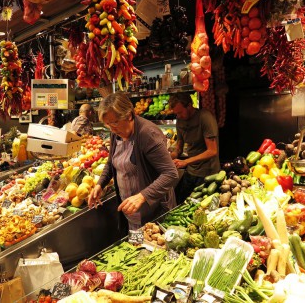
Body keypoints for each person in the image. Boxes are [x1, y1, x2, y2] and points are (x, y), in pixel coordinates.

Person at [88, 93, 179, 231]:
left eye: (115, 122)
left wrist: (143, 196)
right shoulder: (116, 133)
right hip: (131, 211)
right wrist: (100, 184)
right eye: (108, 124)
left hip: (153, 211)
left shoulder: (148, 134)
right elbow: (111, 162)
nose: (112, 129)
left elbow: (171, 174)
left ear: (129, 115)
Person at [169, 92, 220, 204]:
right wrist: (171, 156)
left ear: (189, 105)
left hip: (208, 173)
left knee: (202, 207)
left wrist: (186, 162)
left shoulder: (205, 117)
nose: (178, 116)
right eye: (176, 113)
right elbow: (179, 147)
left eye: (180, 112)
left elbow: (212, 151)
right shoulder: (180, 121)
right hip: (191, 171)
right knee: (182, 204)